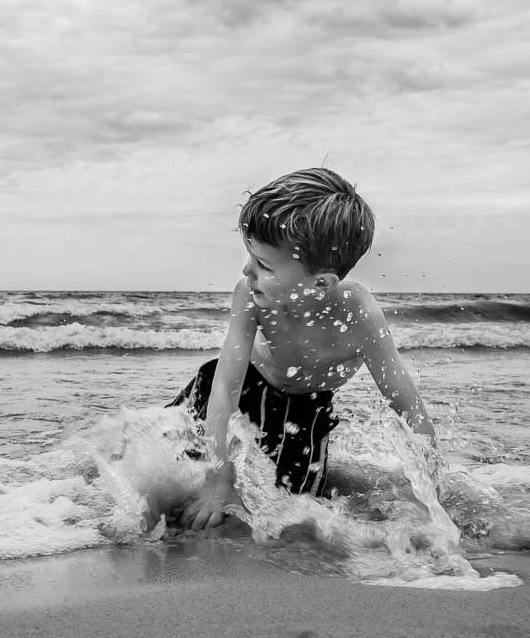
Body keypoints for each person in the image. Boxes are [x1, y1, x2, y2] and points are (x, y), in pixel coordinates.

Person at [167, 167, 437, 531]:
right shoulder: (251, 295)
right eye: (251, 256)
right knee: (167, 468)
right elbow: (225, 390)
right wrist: (219, 482)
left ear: (320, 283)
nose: (247, 270)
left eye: (263, 264)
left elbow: (410, 409)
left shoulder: (357, 313)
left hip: (305, 411)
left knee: (289, 509)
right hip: (238, 386)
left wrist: (431, 498)